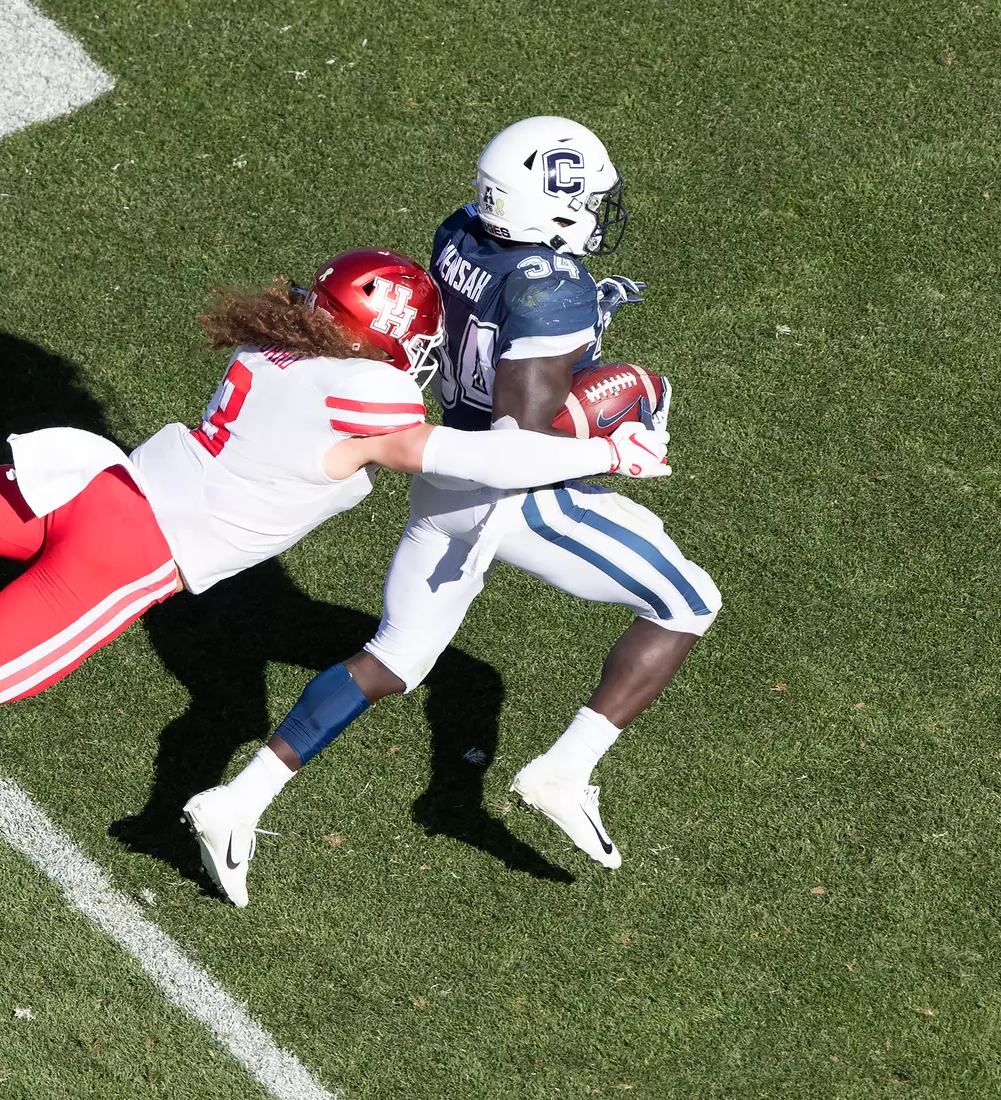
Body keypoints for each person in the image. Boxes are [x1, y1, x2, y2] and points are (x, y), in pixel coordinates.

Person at [0, 247, 669, 874]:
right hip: (130, 549)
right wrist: (596, 442)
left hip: (90, 483)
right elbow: (460, 451)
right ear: (386, 336)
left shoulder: (270, 343)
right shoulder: (375, 388)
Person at [184, 117, 720, 905]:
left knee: (396, 657)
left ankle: (238, 801)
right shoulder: (553, 286)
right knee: (688, 601)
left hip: (446, 472)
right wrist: (615, 407)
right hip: (510, 490)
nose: (599, 212)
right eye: (588, 198)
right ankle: (563, 772)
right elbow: (527, 433)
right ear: (548, 204)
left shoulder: (461, 232)